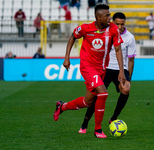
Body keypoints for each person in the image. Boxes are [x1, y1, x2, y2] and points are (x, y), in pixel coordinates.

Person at [53, 4, 126, 138]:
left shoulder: (113, 29)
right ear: (98, 18)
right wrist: (66, 58)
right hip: (87, 66)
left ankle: (62, 107)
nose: (110, 18)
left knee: (88, 102)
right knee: (103, 93)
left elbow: (118, 50)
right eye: (107, 16)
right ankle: (97, 129)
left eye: (110, 15)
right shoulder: (86, 28)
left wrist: (121, 71)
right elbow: (72, 37)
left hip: (101, 68)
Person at [78, 12, 136, 134]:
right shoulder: (106, 32)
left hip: (120, 69)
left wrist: (128, 77)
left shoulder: (130, 38)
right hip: (105, 68)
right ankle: (85, 122)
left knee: (126, 89)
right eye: (117, 24)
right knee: (95, 96)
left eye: (122, 24)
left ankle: (114, 118)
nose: (120, 27)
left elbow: (131, 59)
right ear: (112, 23)